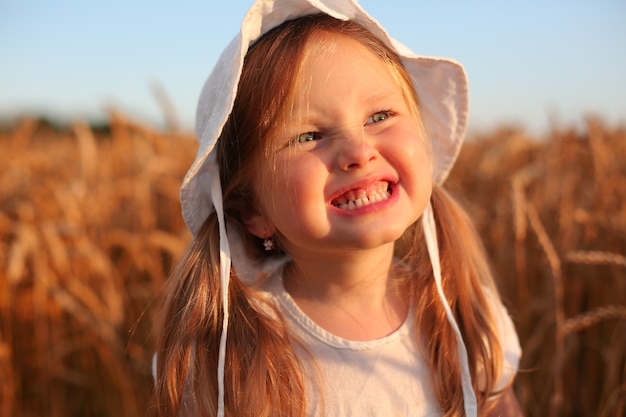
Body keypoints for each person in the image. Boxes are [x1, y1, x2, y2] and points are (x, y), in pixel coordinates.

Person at [153, 0, 523, 416]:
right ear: (251, 210)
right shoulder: (231, 355)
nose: (358, 151)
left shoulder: (466, 319)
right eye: (309, 136)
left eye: (379, 115)